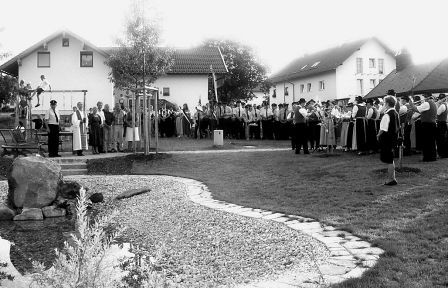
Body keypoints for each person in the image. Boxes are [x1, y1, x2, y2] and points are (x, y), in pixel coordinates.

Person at [377, 95, 400, 186]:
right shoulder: (396, 113)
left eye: (384, 102)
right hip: (393, 138)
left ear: (387, 104)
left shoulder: (387, 114)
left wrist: (378, 135)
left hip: (387, 139)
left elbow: (383, 128)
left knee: (389, 160)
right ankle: (392, 178)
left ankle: (391, 179)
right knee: (391, 159)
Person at [410, 93, 437, 161]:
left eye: (423, 97)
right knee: (431, 142)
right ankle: (432, 157)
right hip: (432, 124)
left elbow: (416, 109)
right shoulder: (433, 103)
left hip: (427, 124)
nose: (422, 99)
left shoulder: (426, 103)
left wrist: (411, 103)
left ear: (426, 97)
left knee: (426, 142)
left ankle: (427, 158)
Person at [435, 94, 448, 158]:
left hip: (441, 123)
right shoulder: (445, 104)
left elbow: (436, 113)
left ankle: (441, 154)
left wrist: (437, 104)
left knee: (440, 140)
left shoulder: (442, 105)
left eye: (440, 98)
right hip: (443, 123)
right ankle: (444, 154)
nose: (439, 100)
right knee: (443, 139)